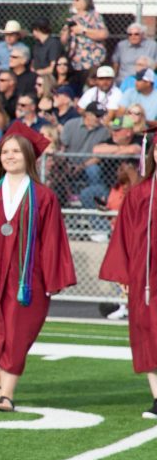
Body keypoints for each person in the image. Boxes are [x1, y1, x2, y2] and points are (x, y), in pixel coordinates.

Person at [0, 123, 76, 411]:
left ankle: (7, 393)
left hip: (26, 280)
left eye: (16, 152)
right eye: (5, 152)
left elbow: (52, 240)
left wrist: (53, 278)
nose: (10, 156)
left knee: (16, 333)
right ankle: (1, 384)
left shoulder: (43, 197)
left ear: (29, 157)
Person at [100, 138, 157, 418]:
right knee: (147, 333)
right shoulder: (139, 194)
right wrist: (123, 272)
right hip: (146, 277)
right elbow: (123, 236)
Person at [61, 0, 108, 85]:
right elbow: (64, 40)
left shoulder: (95, 17)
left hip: (91, 62)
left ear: (85, 1)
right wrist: (66, 31)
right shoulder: (72, 18)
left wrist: (83, 30)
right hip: (75, 63)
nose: (74, 2)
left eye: (77, 0)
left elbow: (104, 34)